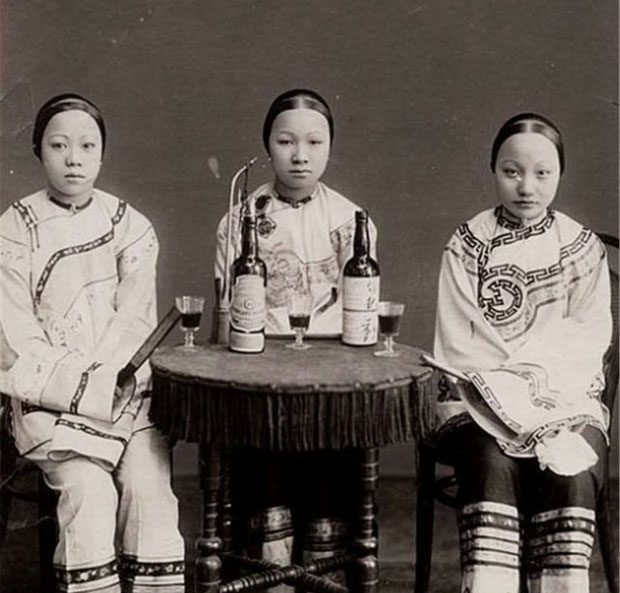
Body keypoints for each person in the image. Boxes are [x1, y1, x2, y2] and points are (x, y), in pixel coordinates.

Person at [0, 93, 185, 593]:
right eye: (59, 145)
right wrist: (83, 387)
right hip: (46, 401)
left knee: (150, 494)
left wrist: (107, 387)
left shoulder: (131, 227)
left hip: (125, 398)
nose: (74, 158)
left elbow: (133, 326)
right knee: (89, 493)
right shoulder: (13, 230)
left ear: (102, 154)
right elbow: (15, 338)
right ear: (39, 151)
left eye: (87, 145)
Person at [432, 113, 612, 593]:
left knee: (573, 470)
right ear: (494, 170)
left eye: (542, 173)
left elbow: (588, 339)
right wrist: (508, 396)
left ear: (559, 175)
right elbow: (459, 342)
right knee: (492, 461)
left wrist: (541, 402)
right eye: (512, 171)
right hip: (479, 402)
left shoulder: (580, 249)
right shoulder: (466, 246)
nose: (526, 187)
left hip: (564, 403)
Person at [214, 89, 377, 580]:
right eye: (286, 141)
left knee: (331, 456)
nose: (300, 155)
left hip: (333, 382)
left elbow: (362, 324)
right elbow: (226, 324)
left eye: (314, 142)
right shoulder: (240, 220)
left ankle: (323, 574)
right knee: (265, 459)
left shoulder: (354, 221)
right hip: (260, 381)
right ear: (268, 145)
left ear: (330, 147)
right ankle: (270, 576)